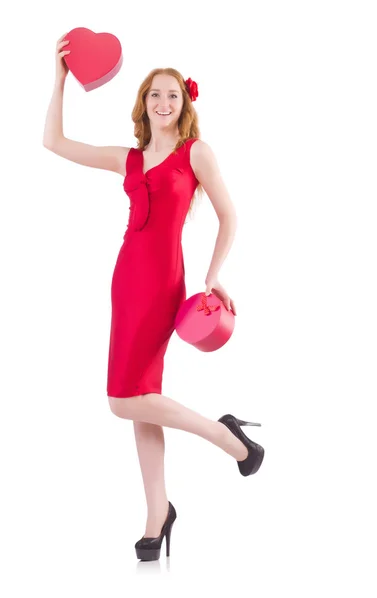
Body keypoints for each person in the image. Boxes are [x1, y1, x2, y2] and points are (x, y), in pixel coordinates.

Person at [43, 32, 265, 562]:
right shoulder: (130, 159)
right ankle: (157, 513)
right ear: (142, 104)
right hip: (125, 281)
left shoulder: (197, 153)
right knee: (142, 401)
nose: (162, 103)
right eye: (153, 95)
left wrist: (212, 276)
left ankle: (228, 437)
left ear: (183, 104)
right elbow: (54, 142)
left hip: (164, 281)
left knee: (123, 398)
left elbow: (230, 214)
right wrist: (60, 79)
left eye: (171, 95)